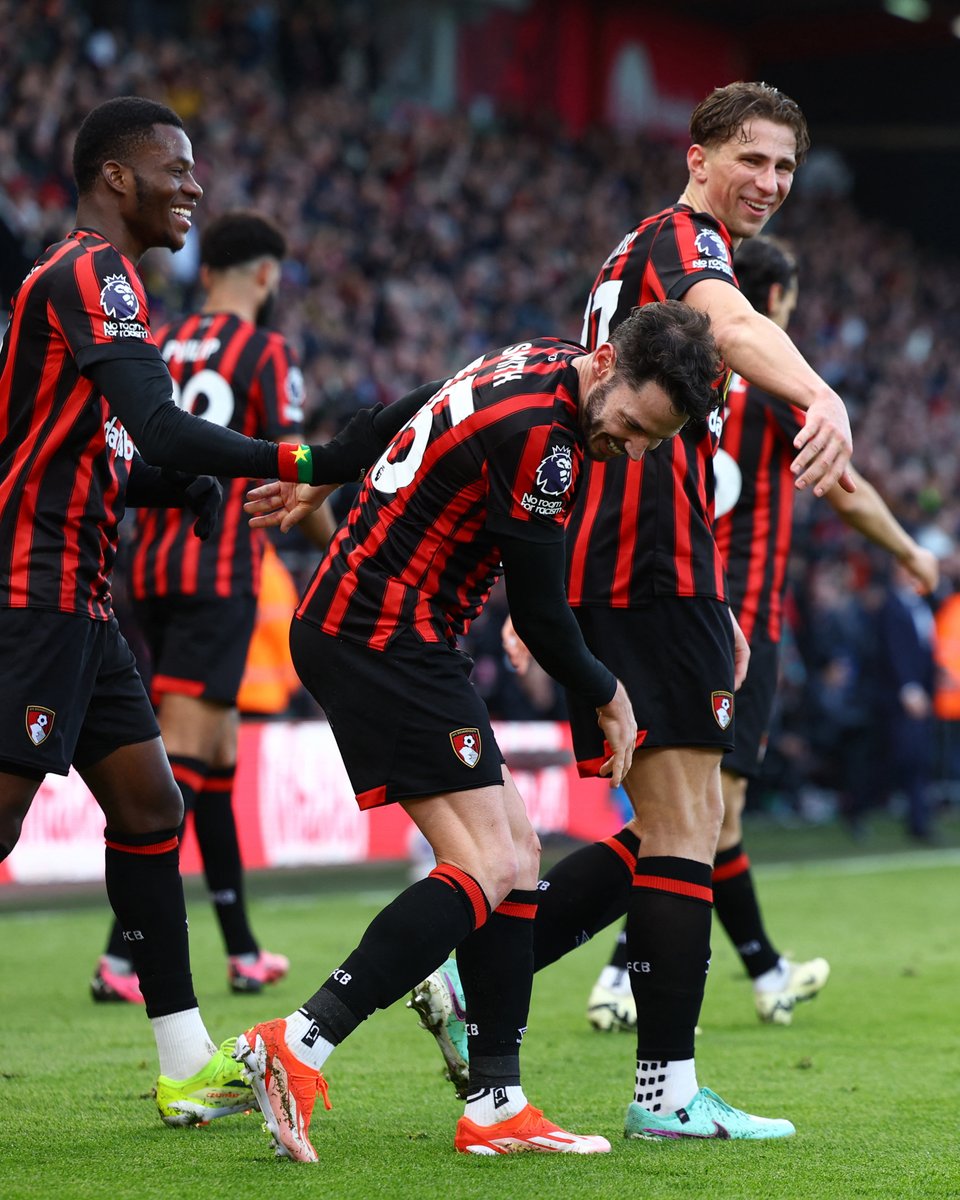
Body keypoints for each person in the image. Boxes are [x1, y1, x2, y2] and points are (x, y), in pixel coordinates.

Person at [411, 81, 854, 1143]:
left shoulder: (636, 255)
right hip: (647, 568)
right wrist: (822, 395)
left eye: (786, 168)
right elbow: (731, 321)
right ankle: (664, 1090)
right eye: (752, 158)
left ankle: (484, 987)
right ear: (698, 155)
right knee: (689, 830)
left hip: (642, 566)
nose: (771, 183)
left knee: (667, 829)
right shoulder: (680, 243)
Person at [234, 300, 723, 1161]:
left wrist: (329, 466)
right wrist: (609, 692)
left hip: (388, 631)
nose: (633, 448)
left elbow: (406, 407)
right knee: (489, 863)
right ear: (608, 364)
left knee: (519, 857)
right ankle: (298, 1044)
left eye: (654, 441)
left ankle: (497, 1101)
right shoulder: (551, 441)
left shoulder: (536, 359)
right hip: (383, 635)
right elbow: (537, 611)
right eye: (635, 425)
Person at [0, 95, 402, 1127]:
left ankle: (184, 1065)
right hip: (28, 593)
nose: (197, 185)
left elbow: (80, 446)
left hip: (82, 598)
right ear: (116, 177)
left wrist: (154, 489)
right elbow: (158, 423)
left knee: (150, 808)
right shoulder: (91, 272)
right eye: (176, 167)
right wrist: (307, 458)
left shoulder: (92, 281)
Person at [583, 235, 939, 1029]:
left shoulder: (669, 386)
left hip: (654, 600)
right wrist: (912, 548)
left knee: (704, 817)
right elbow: (844, 494)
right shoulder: (766, 393)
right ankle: (604, 971)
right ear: (773, 302)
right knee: (693, 821)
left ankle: (761, 970)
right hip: (731, 618)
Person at [90, 210, 332, 1004]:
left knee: (216, 760)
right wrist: (338, 543)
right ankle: (123, 957)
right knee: (180, 769)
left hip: (146, 561)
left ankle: (242, 949)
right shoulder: (267, 351)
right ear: (266, 275)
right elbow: (297, 474)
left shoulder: (157, 337)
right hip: (219, 568)